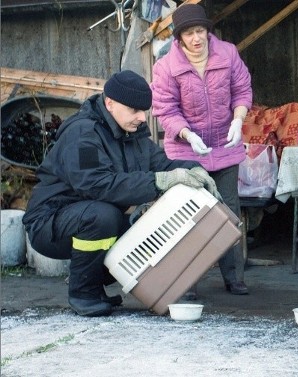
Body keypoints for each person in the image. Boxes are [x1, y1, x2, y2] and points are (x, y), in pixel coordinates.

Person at [22, 70, 221, 317]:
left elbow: (163, 165)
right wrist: (163, 181)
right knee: (102, 216)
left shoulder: (132, 134)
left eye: (144, 111)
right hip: (49, 223)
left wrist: (194, 171)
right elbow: (96, 185)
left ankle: (96, 286)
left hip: (89, 216)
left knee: (143, 224)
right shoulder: (83, 133)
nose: (141, 117)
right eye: (134, 110)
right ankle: (83, 292)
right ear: (110, 103)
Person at [151, 3, 253, 295]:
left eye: (200, 30)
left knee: (228, 212)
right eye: (189, 33)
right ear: (178, 37)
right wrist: (185, 133)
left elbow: (243, 90)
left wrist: (238, 119)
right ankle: (188, 280)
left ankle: (234, 277)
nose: (196, 38)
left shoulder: (228, 53)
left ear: (208, 31)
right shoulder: (166, 66)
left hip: (225, 145)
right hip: (185, 151)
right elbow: (165, 108)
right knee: (188, 214)